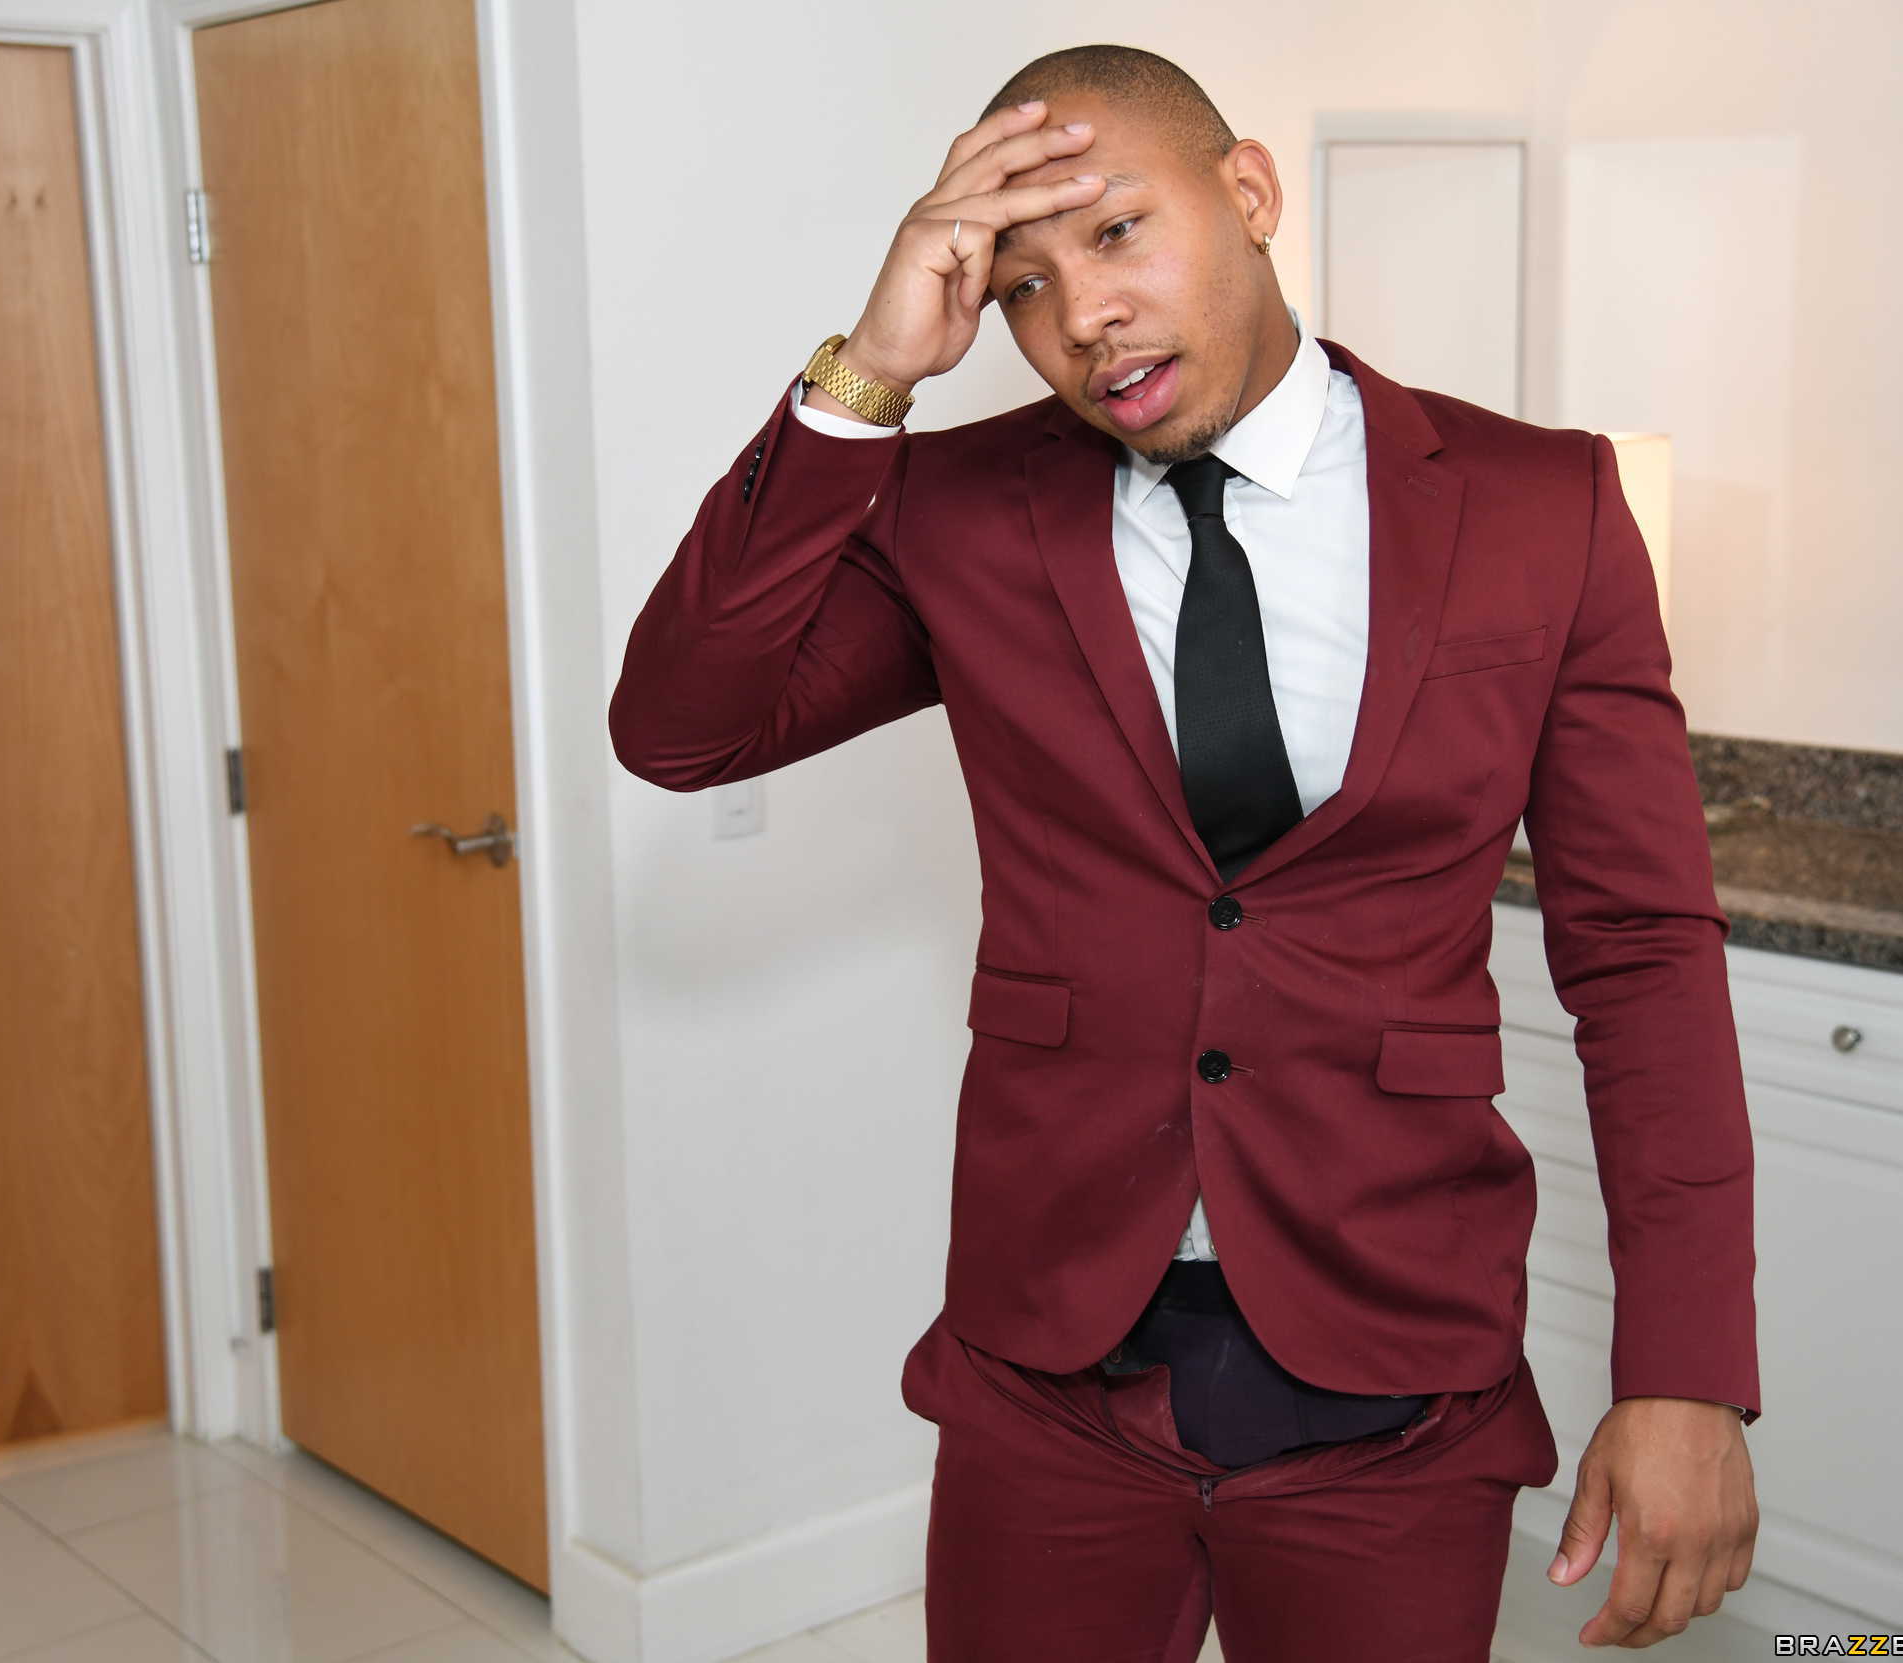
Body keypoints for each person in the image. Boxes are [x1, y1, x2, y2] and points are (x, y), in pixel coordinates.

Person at [609, 42, 1760, 1660]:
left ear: (1250, 193)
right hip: (1052, 1362)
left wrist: (1686, 1372)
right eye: (1021, 285)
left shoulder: (1541, 507)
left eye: (1117, 232)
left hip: (1396, 1369)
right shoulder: (959, 510)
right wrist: (866, 376)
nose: (1081, 315)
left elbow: (1642, 957)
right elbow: (680, 727)